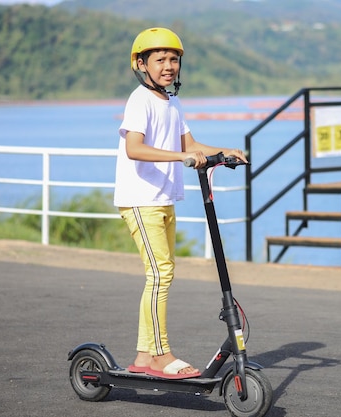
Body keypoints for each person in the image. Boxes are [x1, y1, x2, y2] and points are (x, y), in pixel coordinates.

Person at [113, 27, 247, 379]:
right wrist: (181, 157)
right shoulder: (139, 100)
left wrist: (222, 152)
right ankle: (159, 355)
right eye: (160, 60)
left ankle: (144, 355)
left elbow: (191, 144)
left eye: (174, 59)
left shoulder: (172, 101)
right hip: (140, 199)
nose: (168, 66)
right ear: (141, 64)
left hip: (161, 199)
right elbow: (135, 148)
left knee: (159, 275)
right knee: (161, 274)